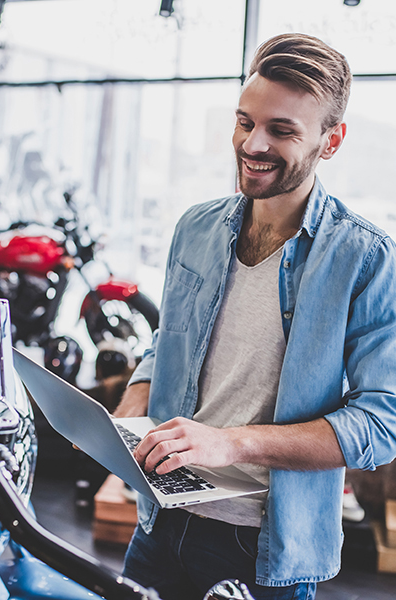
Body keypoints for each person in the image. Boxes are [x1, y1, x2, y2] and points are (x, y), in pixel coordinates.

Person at [115, 33, 396, 600]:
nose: (253, 143)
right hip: (159, 521)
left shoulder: (365, 259)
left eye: (282, 130)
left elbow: (382, 424)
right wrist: (128, 409)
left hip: (262, 548)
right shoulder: (194, 227)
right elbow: (167, 342)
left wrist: (230, 444)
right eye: (245, 122)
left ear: (331, 140)